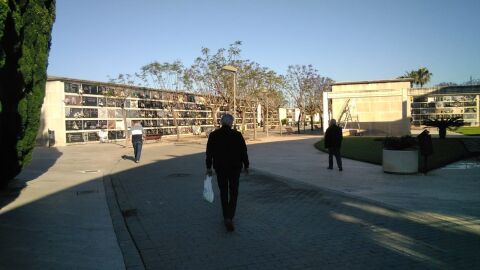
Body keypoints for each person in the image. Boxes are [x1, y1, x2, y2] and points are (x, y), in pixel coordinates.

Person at [206, 114, 249, 232]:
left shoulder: (214, 135)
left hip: (220, 169)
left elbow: (209, 153)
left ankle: (226, 216)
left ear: (221, 122)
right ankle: (230, 216)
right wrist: (246, 165)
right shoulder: (237, 135)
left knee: (223, 192)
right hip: (235, 168)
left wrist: (208, 167)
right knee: (234, 192)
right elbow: (243, 151)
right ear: (231, 123)